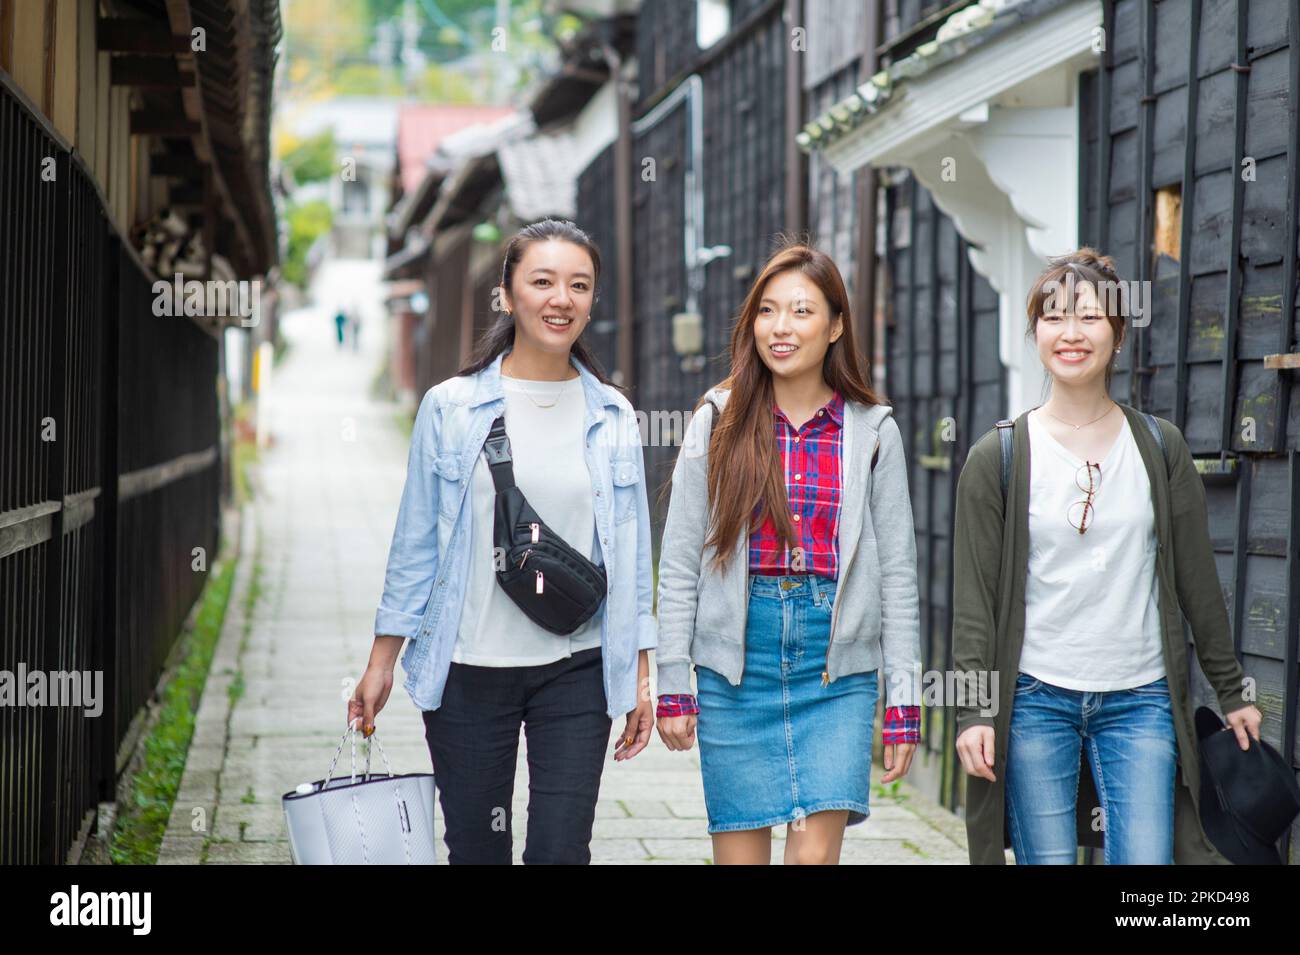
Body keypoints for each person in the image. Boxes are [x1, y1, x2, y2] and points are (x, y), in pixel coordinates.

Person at [351, 219, 656, 864]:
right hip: (468, 669)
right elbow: (416, 542)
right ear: (507, 294)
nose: (560, 299)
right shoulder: (452, 408)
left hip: (578, 667)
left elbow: (630, 556)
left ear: (592, 299)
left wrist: (641, 672)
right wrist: (382, 659)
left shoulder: (613, 415)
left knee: (560, 850)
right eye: (541, 281)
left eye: (578, 285)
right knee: (477, 850)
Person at [951, 247, 1263, 864]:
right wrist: (972, 711)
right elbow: (974, 602)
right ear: (1035, 331)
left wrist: (1233, 691)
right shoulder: (1000, 457)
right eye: (1054, 316)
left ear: (1118, 334)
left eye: (1089, 317)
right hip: (1035, 696)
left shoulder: (1158, 446)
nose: (1071, 333)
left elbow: (1198, 581)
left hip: (1142, 698)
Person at [654, 239, 923, 864]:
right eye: (768, 310)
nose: (781, 327)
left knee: (810, 860)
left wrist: (904, 699)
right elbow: (679, 563)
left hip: (834, 672)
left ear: (835, 326)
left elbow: (898, 577)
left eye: (802, 312)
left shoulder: (873, 431)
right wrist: (672, 682)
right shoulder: (717, 420)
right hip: (737, 668)